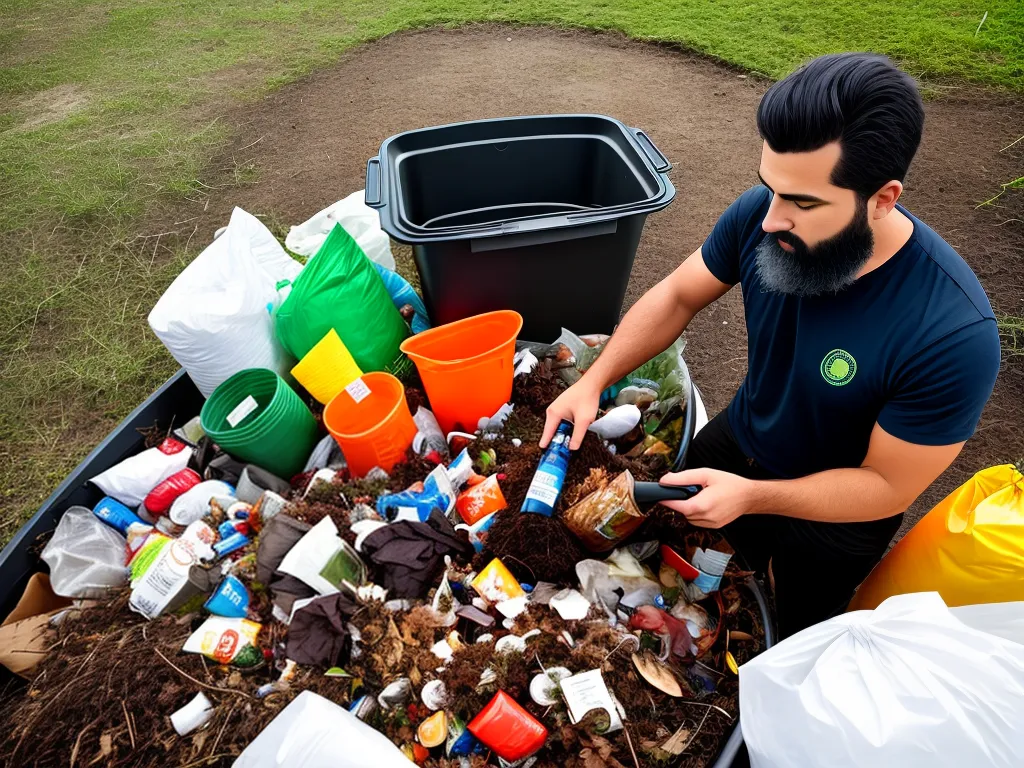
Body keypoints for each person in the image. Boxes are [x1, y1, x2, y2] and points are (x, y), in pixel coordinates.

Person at [540, 52, 1001, 638]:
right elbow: (679, 295)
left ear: (882, 199)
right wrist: (591, 381)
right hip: (740, 440)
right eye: (771, 189)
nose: (770, 220)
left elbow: (886, 485)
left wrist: (754, 498)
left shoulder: (952, 332)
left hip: (837, 511)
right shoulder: (766, 214)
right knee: (676, 564)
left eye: (803, 203)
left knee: (793, 627)